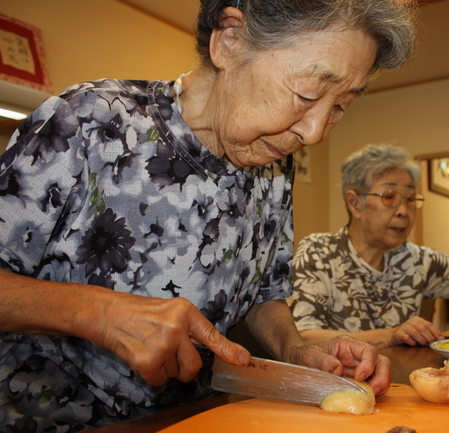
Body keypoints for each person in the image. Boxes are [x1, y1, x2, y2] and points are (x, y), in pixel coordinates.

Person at [0, 1, 417, 430]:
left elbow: (262, 295)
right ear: (230, 40)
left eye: (340, 106)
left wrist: (297, 352)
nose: (314, 133)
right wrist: (99, 313)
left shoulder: (272, 160)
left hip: (196, 420)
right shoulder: (89, 121)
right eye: (307, 94)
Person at [289, 144, 449, 350]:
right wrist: (389, 336)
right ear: (355, 203)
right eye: (389, 197)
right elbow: (304, 336)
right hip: (334, 391)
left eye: (411, 199)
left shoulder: (410, 258)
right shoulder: (319, 252)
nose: (404, 211)